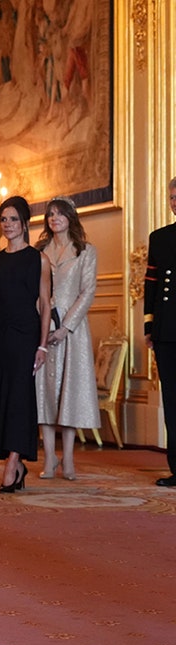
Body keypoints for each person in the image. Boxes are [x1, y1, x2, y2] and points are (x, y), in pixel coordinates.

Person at [0, 195, 51, 493]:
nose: (7, 224)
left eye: (13, 219)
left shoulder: (38, 259)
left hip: (26, 336)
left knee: (21, 397)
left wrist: (43, 345)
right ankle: (15, 461)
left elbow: (45, 304)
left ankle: (13, 462)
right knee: (2, 397)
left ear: (24, 223)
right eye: (3, 219)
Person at [35, 197, 99, 480]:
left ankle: (69, 458)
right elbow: (34, 290)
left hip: (73, 331)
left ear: (71, 217)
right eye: (50, 214)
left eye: (60, 214)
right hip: (43, 327)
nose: (54, 218)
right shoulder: (39, 251)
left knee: (70, 393)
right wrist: (43, 323)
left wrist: (65, 327)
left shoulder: (86, 251)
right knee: (44, 393)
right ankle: (49, 457)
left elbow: (88, 291)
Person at [148, 177, 176, 487]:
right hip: (166, 330)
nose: (175, 202)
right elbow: (152, 286)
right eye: (171, 197)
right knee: (172, 401)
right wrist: (149, 327)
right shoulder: (159, 238)